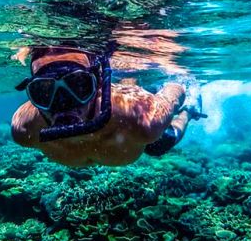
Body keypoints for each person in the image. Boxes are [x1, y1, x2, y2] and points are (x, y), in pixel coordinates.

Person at [11, 45, 205, 166]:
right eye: (44, 91)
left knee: (158, 145)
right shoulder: (24, 128)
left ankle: (189, 111)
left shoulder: (142, 119)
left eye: (79, 85)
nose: (63, 104)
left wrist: (180, 86)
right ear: (33, 93)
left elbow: (175, 91)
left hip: (130, 109)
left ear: (97, 86)